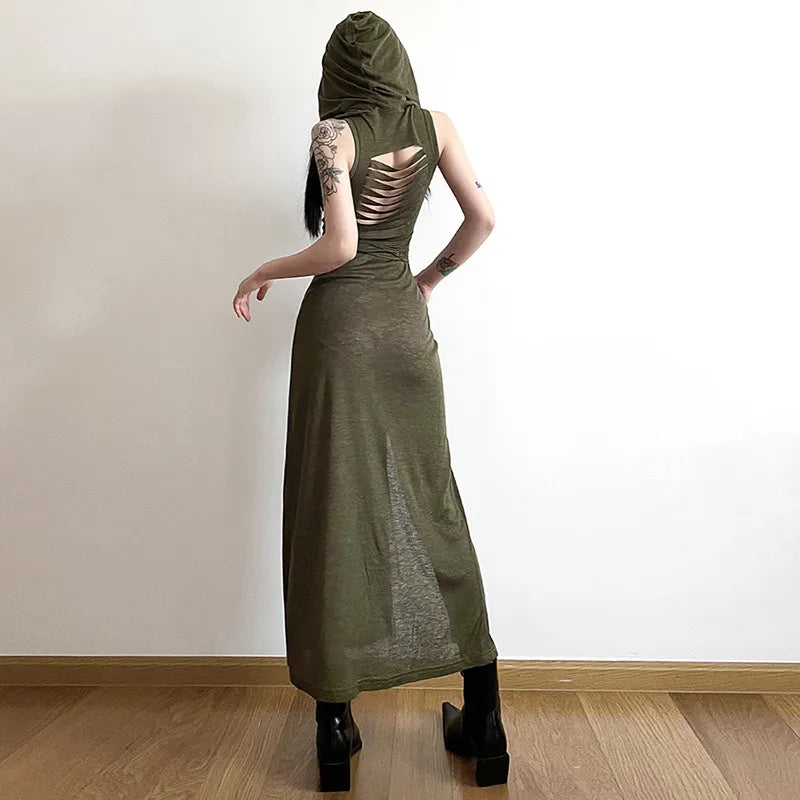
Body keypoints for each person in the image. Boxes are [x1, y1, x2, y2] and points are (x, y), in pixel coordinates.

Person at [232, 10, 509, 792]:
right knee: (433, 503)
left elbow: (341, 247)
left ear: (336, 74)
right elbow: (484, 219)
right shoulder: (437, 124)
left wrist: (264, 269)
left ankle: (334, 727)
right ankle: (485, 717)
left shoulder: (333, 135)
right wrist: (428, 280)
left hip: (340, 334)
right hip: (404, 329)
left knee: (334, 507)